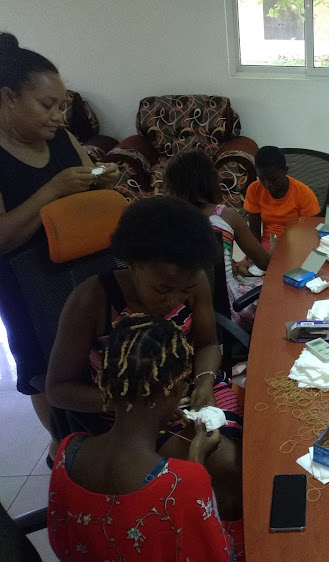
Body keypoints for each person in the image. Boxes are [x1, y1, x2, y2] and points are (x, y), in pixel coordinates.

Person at [46, 196, 244, 522]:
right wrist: (139, 405)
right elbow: (58, 389)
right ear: (133, 263)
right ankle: (205, 537)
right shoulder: (91, 300)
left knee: (240, 463)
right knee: (221, 465)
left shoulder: (188, 282)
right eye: (163, 289)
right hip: (125, 409)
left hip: (190, 388)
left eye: (186, 290)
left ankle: (222, 532)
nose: (176, 300)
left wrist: (204, 382)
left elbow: (208, 344)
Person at [0, 32, 118, 444]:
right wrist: (52, 191)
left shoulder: (64, 140)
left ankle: (102, 440)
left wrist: (105, 184)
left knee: (91, 359)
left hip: (83, 272)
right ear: (8, 98)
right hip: (26, 288)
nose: (57, 117)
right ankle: (64, 446)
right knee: (44, 374)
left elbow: (91, 198)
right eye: (47, 105)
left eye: (61, 106)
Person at [48, 314, 236, 561]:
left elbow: (61, 544)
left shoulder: (67, 451)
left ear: (106, 382)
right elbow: (215, 554)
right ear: (176, 388)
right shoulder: (185, 480)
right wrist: (196, 457)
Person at [165, 148, 270, 330]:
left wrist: (235, 266)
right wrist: (277, 248)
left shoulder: (163, 219)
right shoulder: (225, 216)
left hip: (182, 313)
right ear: (210, 179)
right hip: (229, 309)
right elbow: (264, 263)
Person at [243, 145, 320, 249]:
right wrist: (255, 255)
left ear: (285, 171)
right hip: (268, 243)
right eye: (262, 179)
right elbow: (255, 234)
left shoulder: (304, 193)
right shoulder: (254, 190)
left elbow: (310, 233)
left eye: (273, 179)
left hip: (296, 243)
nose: (267, 185)